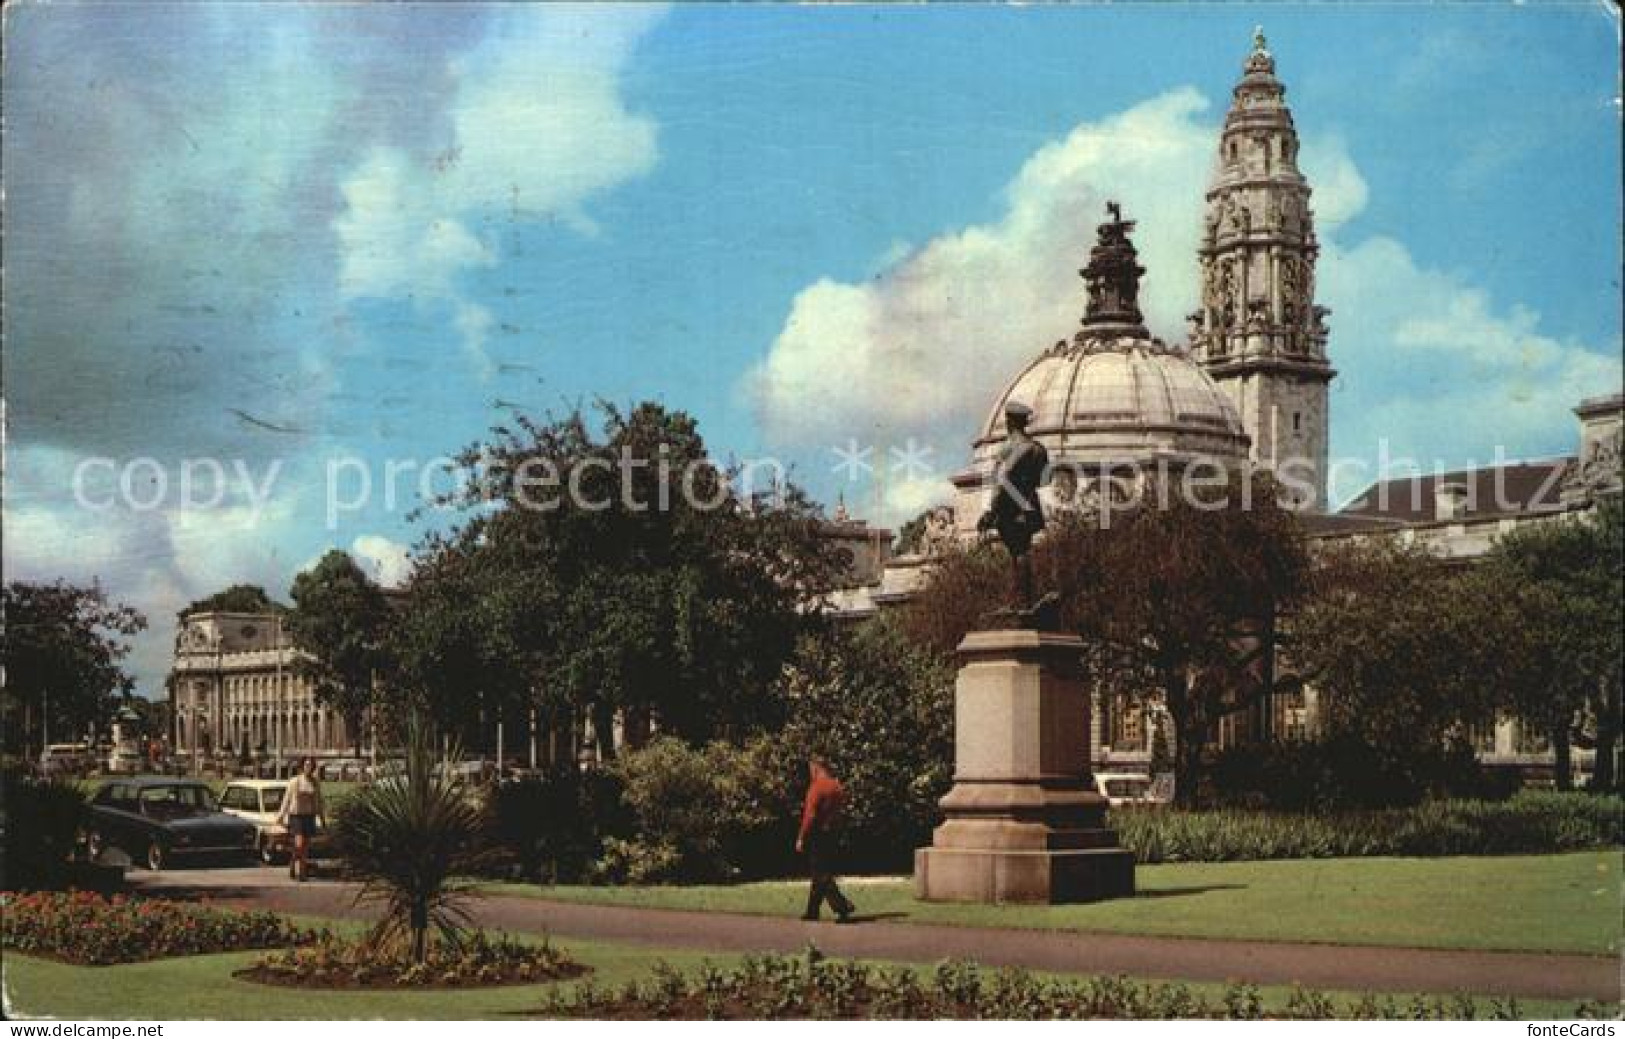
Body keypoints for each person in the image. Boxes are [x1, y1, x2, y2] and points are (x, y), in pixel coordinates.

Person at [796, 756, 855, 923]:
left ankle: (843, 905)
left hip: (818, 834)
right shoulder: (837, 786)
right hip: (833, 833)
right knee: (819, 873)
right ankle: (812, 911)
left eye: (811, 769)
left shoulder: (816, 787)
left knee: (821, 873)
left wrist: (801, 837)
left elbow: (810, 815)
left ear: (816, 767)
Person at [275, 757, 324, 881]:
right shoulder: (294, 781)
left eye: (311, 765)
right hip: (296, 817)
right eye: (306, 765)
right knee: (299, 844)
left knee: (305, 846)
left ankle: (293, 865)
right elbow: (286, 799)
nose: (308, 767)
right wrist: (280, 816)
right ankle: (302, 873)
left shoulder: (315, 782)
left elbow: (318, 802)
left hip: (309, 816)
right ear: (302, 766)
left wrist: (322, 819)